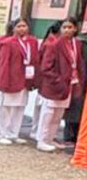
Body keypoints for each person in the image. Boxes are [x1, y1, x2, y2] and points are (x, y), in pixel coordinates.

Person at [35, 16, 85, 152]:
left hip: (71, 84)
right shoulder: (53, 44)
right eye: (64, 27)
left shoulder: (77, 44)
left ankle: (50, 138)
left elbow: (78, 64)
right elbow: (46, 67)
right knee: (48, 113)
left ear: (76, 28)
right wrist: (58, 80)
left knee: (58, 114)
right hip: (55, 85)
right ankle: (42, 139)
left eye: (70, 27)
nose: (67, 30)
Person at [0, 18, 37, 145]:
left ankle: (13, 133)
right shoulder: (7, 43)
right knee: (5, 108)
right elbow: (3, 64)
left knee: (19, 108)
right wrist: (2, 82)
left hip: (25, 80)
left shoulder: (32, 42)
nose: (22, 29)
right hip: (10, 80)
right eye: (19, 26)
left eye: (24, 26)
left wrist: (33, 80)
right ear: (14, 28)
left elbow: (34, 60)